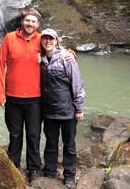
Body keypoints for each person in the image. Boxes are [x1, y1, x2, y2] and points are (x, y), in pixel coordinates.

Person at [0, 8, 44, 182]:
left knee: (33, 134)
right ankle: (14, 166)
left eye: (33, 21)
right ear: (22, 21)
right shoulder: (9, 38)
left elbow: (58, 53)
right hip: (13, 97)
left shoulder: (43, 39)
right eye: (27, 20)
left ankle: (34, 168)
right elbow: (0, 66)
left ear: (38, 24)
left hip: (36, 98)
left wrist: (72, 54)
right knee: (15, 135)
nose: (30, 24)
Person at [39, 28, 85, 189]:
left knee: (69, 145)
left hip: (67, 111)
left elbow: (77, 84)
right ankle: (50, 172)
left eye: (51, 39)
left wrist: (79, 109)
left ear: (57, 41)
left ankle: (70, 176)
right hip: (49, 111)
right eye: (45, 38)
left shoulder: (67, 59)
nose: (48, 41)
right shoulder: (40, 59)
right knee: (50, 143)